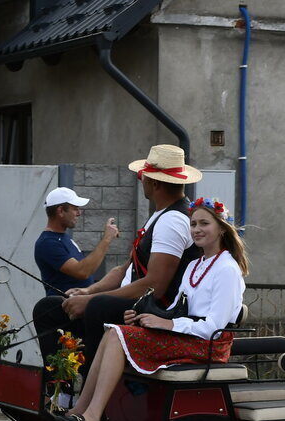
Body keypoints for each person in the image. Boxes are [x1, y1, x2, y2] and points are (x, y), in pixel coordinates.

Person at [64, 197, 247, 421]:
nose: (197, 229)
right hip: (188, 336)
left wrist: (168, 325)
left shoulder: (227, 268)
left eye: (204, 223)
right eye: (193, 224)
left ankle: (93, 415)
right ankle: (81, 408)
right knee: (113, 331)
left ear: (221, 228)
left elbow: (214, 327)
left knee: (118, 336)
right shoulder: (195, 265)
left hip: (209, 345)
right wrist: (142, 316)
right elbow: (176, 310)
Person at [32, 144, 202, 365]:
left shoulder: (172, 220)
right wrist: (89, 290)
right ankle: (61, 379)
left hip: (156, 309)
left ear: (154, 183)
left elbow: (155, 286)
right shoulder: (162, 216)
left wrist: (90, 300)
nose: (141, 180)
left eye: (143, 175)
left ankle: (87, 376)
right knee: (48, 308)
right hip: (138, 301)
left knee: (97, 307)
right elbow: (124, 270)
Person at [33, 186, 119, 298]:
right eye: (75, 209)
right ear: (61, 211)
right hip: (64, 307)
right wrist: (107, 238)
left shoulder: (62, 237)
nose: (79, 213)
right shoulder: (48, 243)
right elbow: (82, 271)